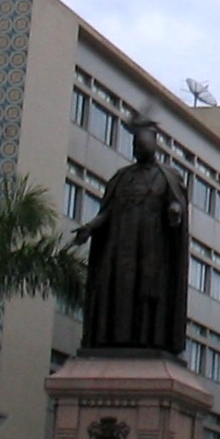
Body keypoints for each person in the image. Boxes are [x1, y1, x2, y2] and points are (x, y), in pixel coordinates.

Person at [72, 116, 190, 355]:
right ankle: (115, 339)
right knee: (120, 291)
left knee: (148, 294)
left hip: (152, 247)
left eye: (143, 146)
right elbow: (109, 211)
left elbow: (177, 203)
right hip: (122, 246)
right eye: (136, 146)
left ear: (153, 147)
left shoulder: (168, 176)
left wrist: (175, 211)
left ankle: (150, 341)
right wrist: (90, 227)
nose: (138, 150)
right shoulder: (122, 177)